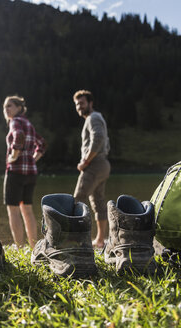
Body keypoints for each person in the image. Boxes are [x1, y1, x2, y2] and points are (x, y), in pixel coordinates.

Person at [3, 95, 46, 248]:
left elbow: (19, 137)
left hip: (16, 172)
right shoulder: (29, 123)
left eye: (10, 106)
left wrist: (13, 157)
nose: (6, 109)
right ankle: (34, 248)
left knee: (13, 211)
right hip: (31, 174)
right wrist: (33, 159)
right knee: (27, 210)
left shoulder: (15, 122)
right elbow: (42, 143)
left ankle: (20, 248)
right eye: (5, 106)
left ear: (19, 108)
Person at [72, 90, 111, 249]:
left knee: (77, 200)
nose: (79, 107)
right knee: (98, 202)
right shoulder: (95, 117)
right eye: (76, 104)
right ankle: (100, 240)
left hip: (95, 164)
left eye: (82, 103)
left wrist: (85, 161)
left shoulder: (93, 117)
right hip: (103, 165)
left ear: (90, 103)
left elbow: (99, 137)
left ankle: (78, 241)